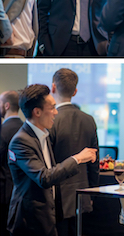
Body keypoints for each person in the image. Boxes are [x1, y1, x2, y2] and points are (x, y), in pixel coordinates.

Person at [7, 84, 97, 236]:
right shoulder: (20, 141)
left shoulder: (43, 135)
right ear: (37, 112)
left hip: (49, 216)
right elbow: (44, 177)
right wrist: (77, 158)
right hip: (30, 220)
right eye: (52, 108)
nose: (56, 112)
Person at [49, 68, 99, 236]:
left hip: (58, 196)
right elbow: (94, 161)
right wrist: (93, 190)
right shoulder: (89, 120)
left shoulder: (51, 120)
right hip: (83, 193)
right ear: (75, 91)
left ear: (53, 88)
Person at [0, 91, 23, 236]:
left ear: (6, 105)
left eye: (0, 103)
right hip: (22, 191)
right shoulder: (25, 128)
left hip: (5, 193)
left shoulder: (2, 132)